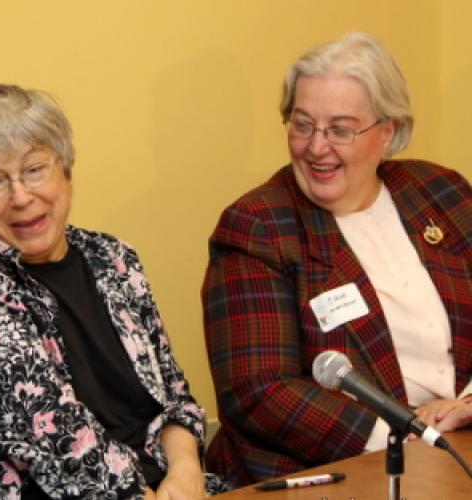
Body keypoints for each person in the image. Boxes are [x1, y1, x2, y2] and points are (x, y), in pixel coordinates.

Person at [0, 84, 230, 498]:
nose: (21, 196)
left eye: (34, 170)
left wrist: (187, 469)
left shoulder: (114, 258)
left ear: (65, 169)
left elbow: (173, 394)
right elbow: (62, 453)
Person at [202, 31, 472, 487]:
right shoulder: (259, 225)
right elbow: (259, 391)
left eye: (340, 129)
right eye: (302, 124)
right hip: (330, 473)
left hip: (457, 446)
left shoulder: (440, 193)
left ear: (387, 132)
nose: (316, 147)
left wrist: (467, 404)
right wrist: (408, 433)